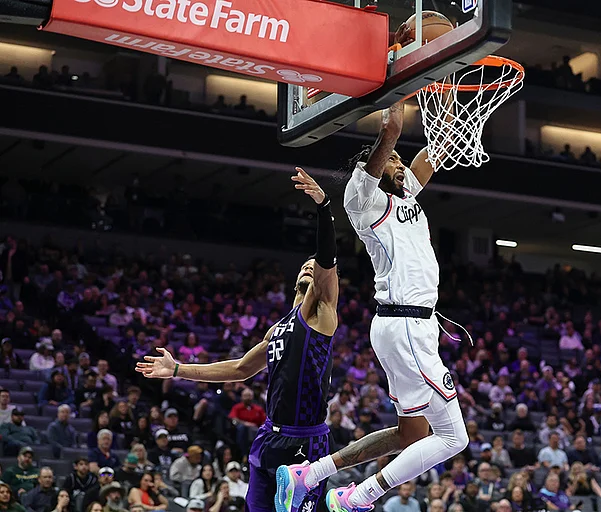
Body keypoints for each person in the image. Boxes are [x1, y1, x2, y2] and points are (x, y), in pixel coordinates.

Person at [277, 99, 468, 512]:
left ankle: (308, 474)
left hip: (412, 327)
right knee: (454, 437)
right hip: (406, 327)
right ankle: (355, 496)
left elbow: (434, 151)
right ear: (376, 169)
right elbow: (389, 135)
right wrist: (398, 97)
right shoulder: (362, 200)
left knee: (411, 433)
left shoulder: (406, 196)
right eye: (392, 161)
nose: (399, 165)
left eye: (401, 162)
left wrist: (447, 106)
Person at [137, 168, 339, 512]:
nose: (309, 267)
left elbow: (325, 261)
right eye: (303, 265)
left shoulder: (322, 312)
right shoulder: (277, 329)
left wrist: (323, 207)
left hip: (306, 440)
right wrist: (178, 370)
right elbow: (241, 368)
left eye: (313, 265)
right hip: (269, 434)